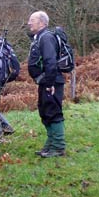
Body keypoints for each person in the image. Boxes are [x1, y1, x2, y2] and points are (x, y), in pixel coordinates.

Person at [27, 11, 66, 158]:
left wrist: (50, 83)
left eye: (32, 20)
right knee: (45, 112)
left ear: (42, 22)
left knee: (53, 112)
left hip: (52, 82)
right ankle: (50, 145)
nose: (29, 23)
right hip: (46, 81)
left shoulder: (46, 38)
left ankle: (58, 147)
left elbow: (50, 61)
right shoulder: (40, 37)